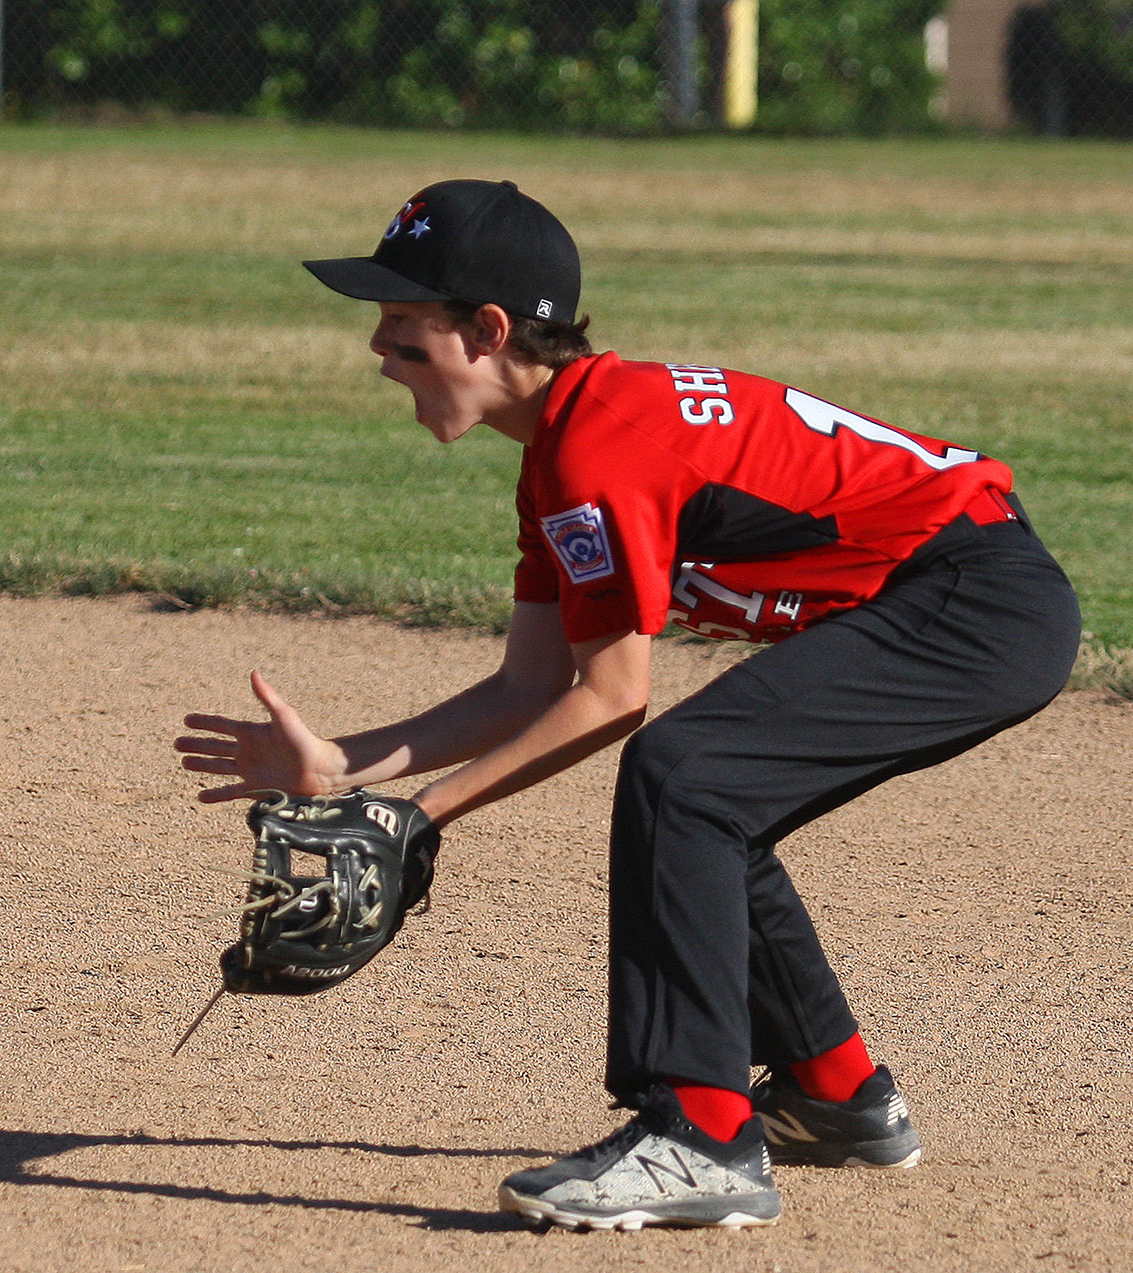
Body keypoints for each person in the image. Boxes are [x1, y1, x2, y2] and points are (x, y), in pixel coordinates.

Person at [173, 179, 1080, 1232]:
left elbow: (614, 700)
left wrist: (422, 819)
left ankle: (699, 1134)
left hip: (974, 597)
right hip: (967, 587)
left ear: (490, 330)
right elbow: (531, 686)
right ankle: (835, 1096)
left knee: (685, 778)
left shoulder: (599, 448)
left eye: (403, 329)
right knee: (713, 792)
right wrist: (342, 768)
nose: (379, 353)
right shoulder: (566, 451)